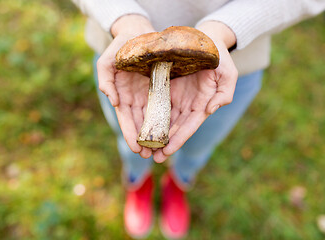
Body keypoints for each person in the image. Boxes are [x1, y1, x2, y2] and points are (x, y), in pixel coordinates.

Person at [72, 1, 325, 238]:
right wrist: (123, 18)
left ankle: (179, 182)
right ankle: (137, 182)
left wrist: (226, 29)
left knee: (199, 145)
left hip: (228, 65)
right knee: (128, 140)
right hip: (118, 46)